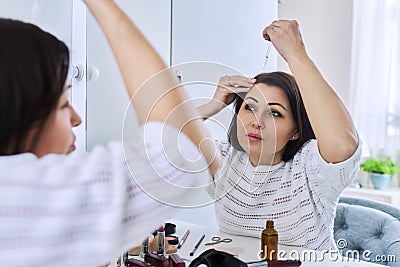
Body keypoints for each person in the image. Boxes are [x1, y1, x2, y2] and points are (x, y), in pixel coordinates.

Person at [0, 0, 220, 266]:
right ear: (17, 114)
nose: (76, 119)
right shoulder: (18, 201)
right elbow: (180, 155)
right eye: (62, 103)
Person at [200, 20, 360, 251]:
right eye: (250, 107)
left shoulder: (309, 167)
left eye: (274, 113)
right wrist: (211, 105)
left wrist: (296, 54)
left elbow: (343, 145)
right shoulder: (223, 159)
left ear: (296, 130)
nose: (257, 122)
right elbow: (160, 144)